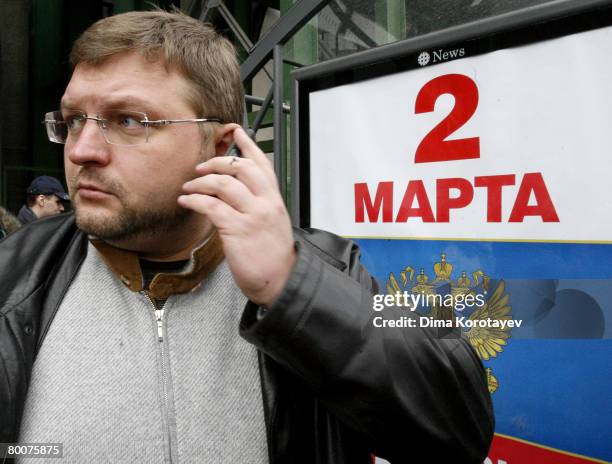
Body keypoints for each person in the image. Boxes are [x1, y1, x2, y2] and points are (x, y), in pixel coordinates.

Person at [0, 10, 493, 464]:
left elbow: (460, 427)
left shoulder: (331, 264)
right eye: (74, 120)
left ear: (219, 144)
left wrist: (292, 286)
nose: (83, 149)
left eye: (128, 121)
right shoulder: (15, 275)